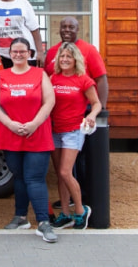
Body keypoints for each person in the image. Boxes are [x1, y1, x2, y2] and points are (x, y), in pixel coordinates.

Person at [0, 37, 57, 243]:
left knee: (34, 178)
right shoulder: (2, 75)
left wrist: (35, 123)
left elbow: (49, 100)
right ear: (10, 54)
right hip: (11, 134)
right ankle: (20, 217)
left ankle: (44, 222)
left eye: (22, 51)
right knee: (18, 177)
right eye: (15, 52)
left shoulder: (40, 73)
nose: (18, 55)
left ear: (30, 53)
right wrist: (9, 124)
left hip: (36, 133)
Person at [44, 16, 108, 208]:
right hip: (56, 121)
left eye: (71, 27)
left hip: (80, 114)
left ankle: (82, 203)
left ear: (78, 29)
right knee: (62, 169)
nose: (67, 30)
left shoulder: (88, 50)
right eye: (63, 26)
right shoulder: (52, 53)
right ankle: (66, 205)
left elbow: (101, 79)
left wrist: (99, 110)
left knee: (77, 164)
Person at [49, 42, 102, 230]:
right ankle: (65, 213)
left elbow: (96, 103)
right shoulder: (53, 78)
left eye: (68, 57)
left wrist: (91, 115)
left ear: (75, 60)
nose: (64, 60)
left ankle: (80, 211)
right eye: (61, 56)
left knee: (65, 171)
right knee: (60, 175)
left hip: (73, 131)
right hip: (55, 130)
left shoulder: (83, 79)